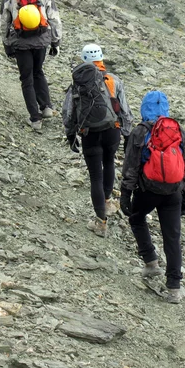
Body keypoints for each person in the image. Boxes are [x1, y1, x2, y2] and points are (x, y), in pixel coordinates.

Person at [120, 90, 185, 303]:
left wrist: (126, 193)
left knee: (136, 218)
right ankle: (174, 288)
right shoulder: (178, 129)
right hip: (174, 192)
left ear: (145, 108)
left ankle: (151, 262)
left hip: (148, 190)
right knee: (172, 238)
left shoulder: (140, 131)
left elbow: (131, 166)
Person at [62, 44, 133, 237]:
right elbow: (125, 111)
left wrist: (71, 135)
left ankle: (101, 222)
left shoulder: (78, 82)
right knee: (109, 162)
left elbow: (68, 112)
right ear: (101, 58)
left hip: (89, 133)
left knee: (95, 176)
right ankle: (108, 200)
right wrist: (127, 135)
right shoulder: (113, 80)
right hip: (112, 131)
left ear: (84, 59)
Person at [0, 0, 62, 131]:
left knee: (26, 79)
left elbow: (4, 23)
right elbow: (54, 18)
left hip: (20, 43)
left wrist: (7, 44)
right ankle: (47, 107)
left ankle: (35, 119)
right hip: (41, 40)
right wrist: (55, 41)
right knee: (38, 72)